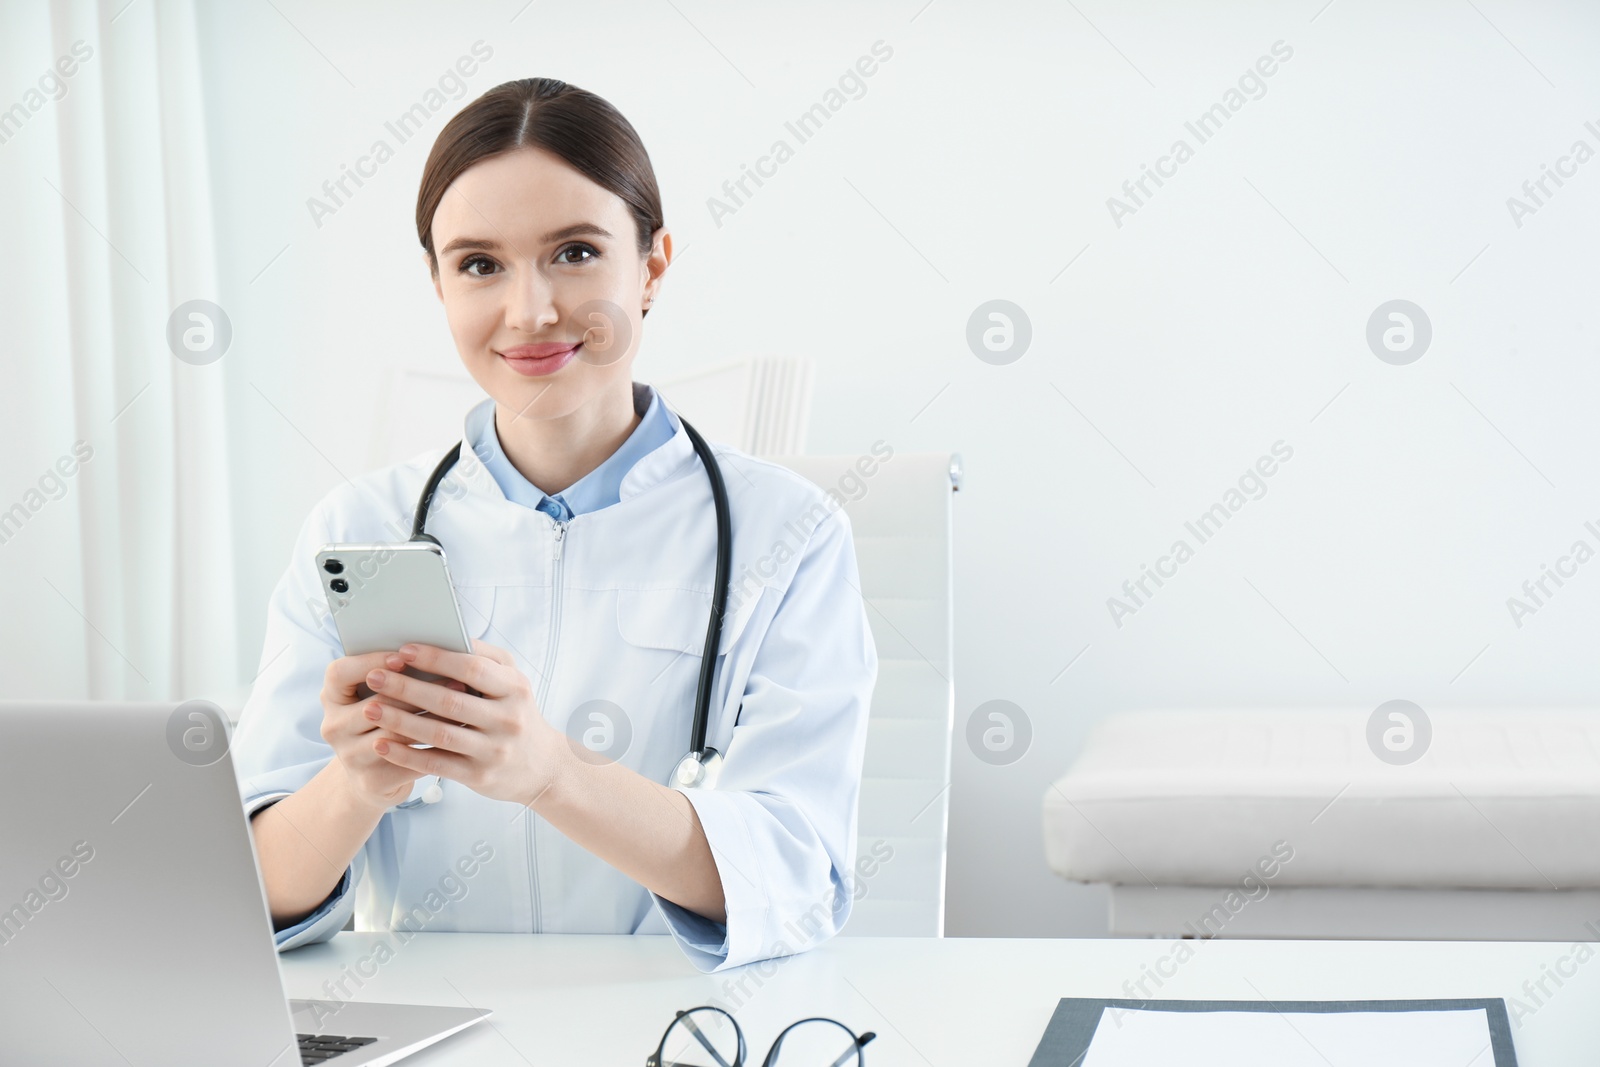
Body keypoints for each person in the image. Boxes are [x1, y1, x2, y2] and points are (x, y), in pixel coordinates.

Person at [230, 77, 877, 973]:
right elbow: (250, 889)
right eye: (479, 264)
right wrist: (358, 783)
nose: (529, 311)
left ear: (650, 268)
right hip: (434, 1035)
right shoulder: (359, 529)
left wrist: (552, 776)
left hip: (673, 1032)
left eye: (574, 252)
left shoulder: (790, 534)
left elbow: (795, 872)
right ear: (438, 283)